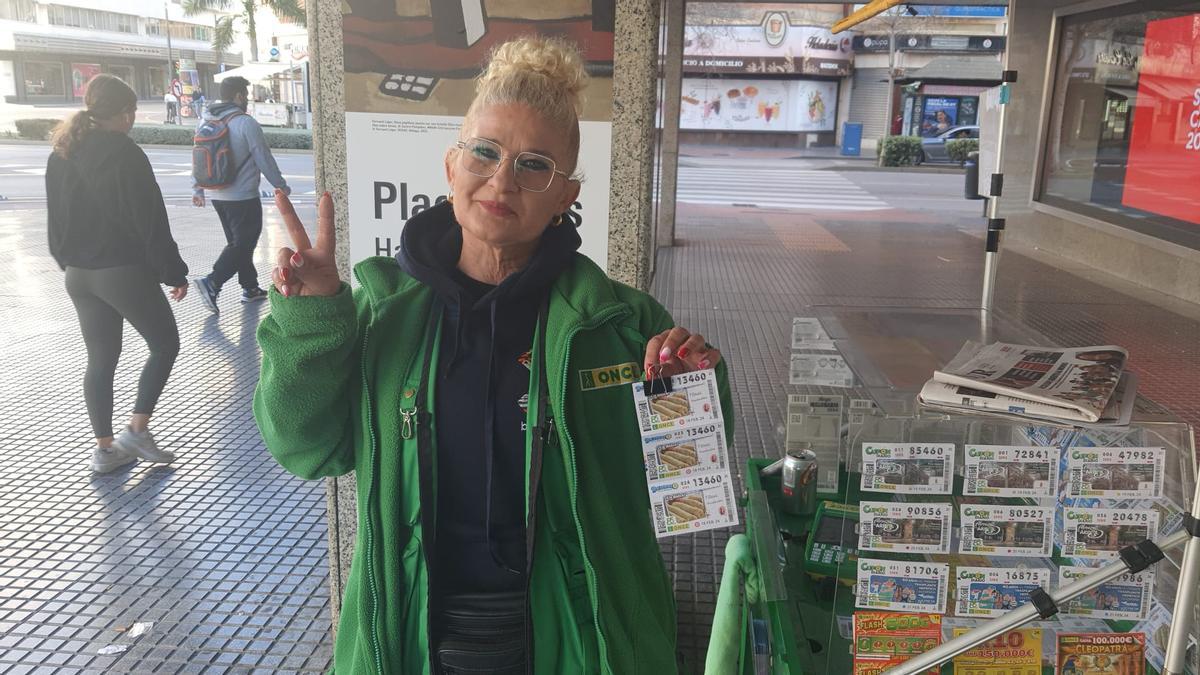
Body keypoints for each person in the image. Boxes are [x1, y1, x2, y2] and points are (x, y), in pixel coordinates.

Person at [254, 36, 732, 673]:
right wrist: (311, 317)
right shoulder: (382, 314)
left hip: (582, 637)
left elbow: (685, 486)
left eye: (535, 165)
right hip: (412, 634)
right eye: (485, 152)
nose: (502, 179)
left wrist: (695, 385)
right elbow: (307, 448)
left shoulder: (619, 326)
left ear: (567, 195)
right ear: (452, 166)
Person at [46, 74, 187, 473]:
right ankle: (136, 431)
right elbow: (150, 219)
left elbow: (56, 218)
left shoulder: (62, 151)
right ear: (124, 113)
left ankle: (105, 451)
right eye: (133, 111)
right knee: (165, 343)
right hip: (120, 270)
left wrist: (66, 260)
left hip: (79, 274)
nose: (133, 119)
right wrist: (172, 271)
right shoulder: (124, 152)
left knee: (101, 357)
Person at [191, 75, 290, 312]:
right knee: (243, 244)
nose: (246, 99)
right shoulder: (245, 123)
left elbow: (197, 156)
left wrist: (197, 188)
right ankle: (212, 282)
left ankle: (250, 286)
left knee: (237, 244)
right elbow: (263, 158)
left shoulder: (206, 120)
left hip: (217, 195)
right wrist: (281, 186)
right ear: (238, 96)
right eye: (244, 94)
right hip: (243, 196)